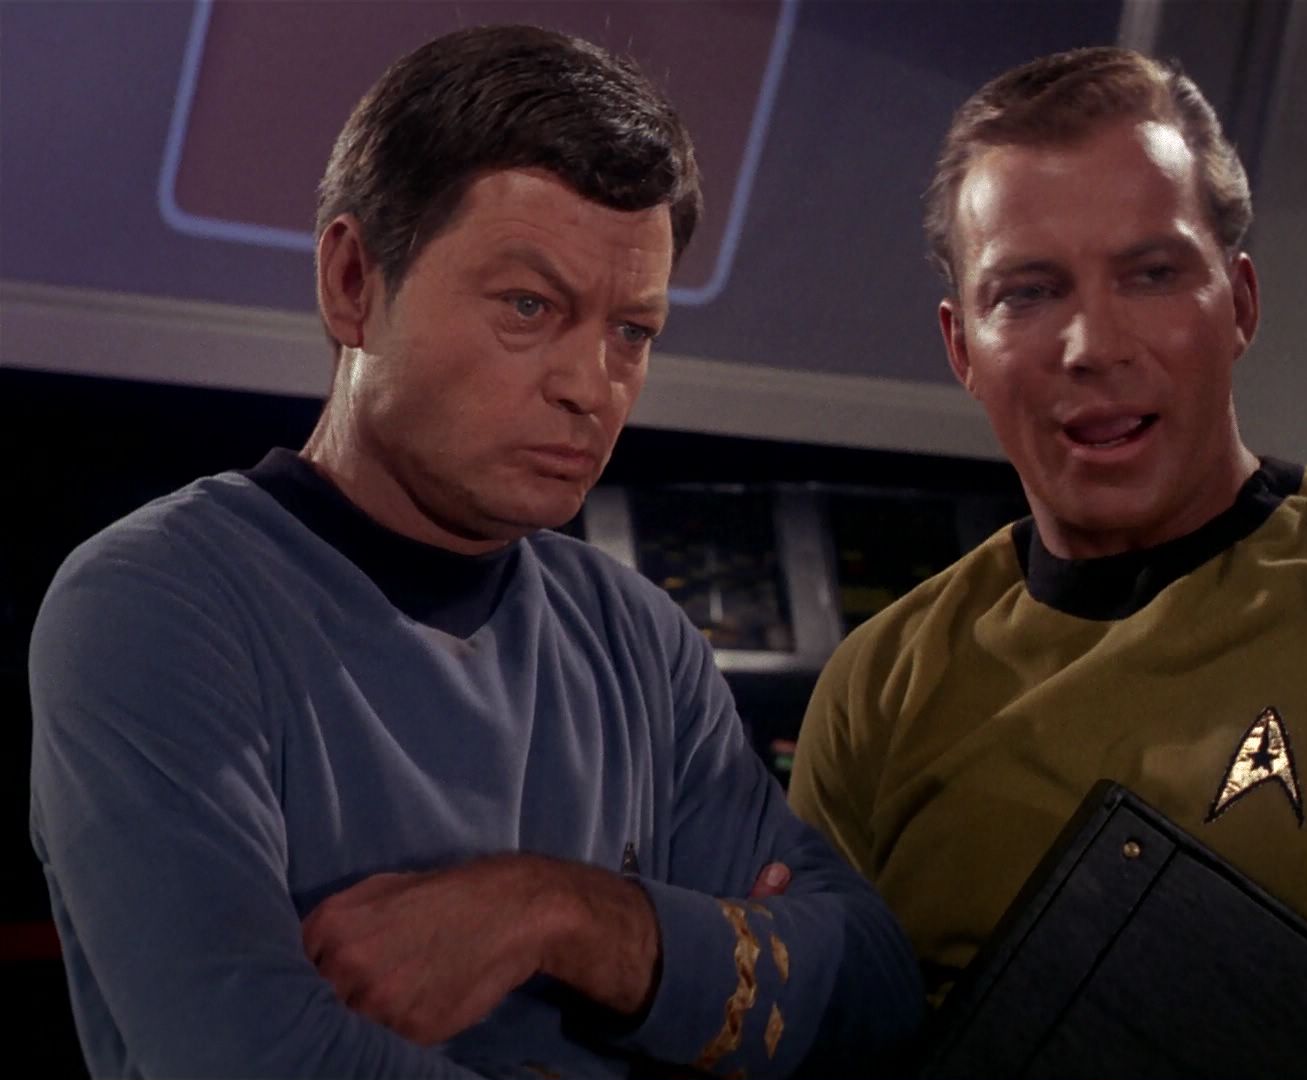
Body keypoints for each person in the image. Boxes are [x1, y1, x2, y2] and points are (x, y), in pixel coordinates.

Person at [29, 25, 924, 1079]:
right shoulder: (158, 606)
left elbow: (869, 996)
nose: (590, 387)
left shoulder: (638, 640)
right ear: (353, 282)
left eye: (631, 332)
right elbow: (255, 1058)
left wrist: (560, 912)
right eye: (528, 307)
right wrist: (695, 957)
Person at [789, 45, 1307, 1015]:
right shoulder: (876, 690)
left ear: (1240, 305)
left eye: (1151, 274)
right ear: (963, 347)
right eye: (1028, 292)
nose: (1094, 345)